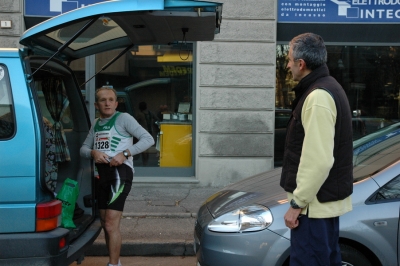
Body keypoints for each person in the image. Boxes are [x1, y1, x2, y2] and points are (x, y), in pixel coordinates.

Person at [280, 33, 353, 266]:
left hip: (312, 209)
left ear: (301, 64)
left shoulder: (318, 96)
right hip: (320, 209)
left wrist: (296, 204)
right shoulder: (328, 89)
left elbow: (319, 160)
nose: (288, 64)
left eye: (290, 59)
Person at [80, 87, 154, 266]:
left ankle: (114, 264)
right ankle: (115, 262)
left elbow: (148, 139)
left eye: (111, 100)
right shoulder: (96, 123)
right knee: (105, 222)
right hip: (101, 174)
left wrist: (125, 154)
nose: (107, 103)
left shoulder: (123, 118)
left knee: (111, 222)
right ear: (97, 104)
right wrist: (93, 153)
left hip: (120, 173)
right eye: (103, 100)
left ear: (116, 103)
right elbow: (83, 149)